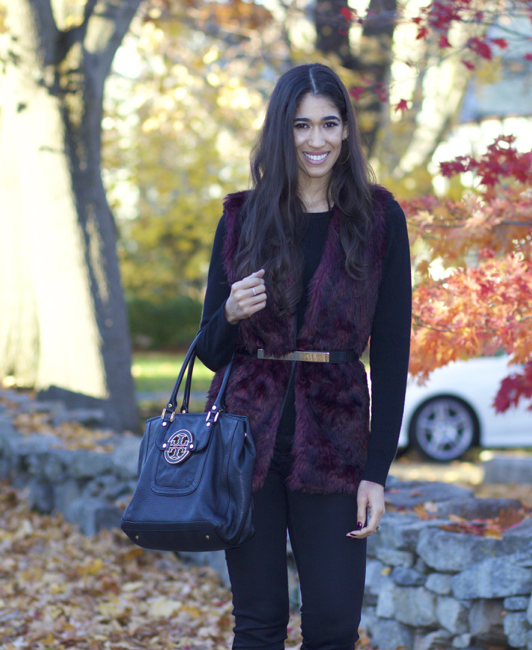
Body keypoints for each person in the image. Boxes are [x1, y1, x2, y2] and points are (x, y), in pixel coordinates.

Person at [196, 62, 412, 650]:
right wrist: (232, 314)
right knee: (260, 623)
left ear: (346, 132)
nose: (315, 140)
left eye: (328, 124)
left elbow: (392, 356)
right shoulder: (242, 218)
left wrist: (376, 473)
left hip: (336, 442)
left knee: (335, 624)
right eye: (300, 126)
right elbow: (210, 351)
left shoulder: (380, 219)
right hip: (246, 441)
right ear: (280, 132)